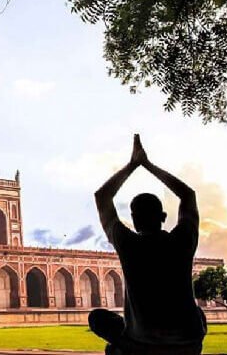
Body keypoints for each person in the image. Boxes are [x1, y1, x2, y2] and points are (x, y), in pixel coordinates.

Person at [90, 134, 207, 355]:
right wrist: (149, 165)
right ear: (163, 216)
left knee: (98, 320)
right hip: (189, 344)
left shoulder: (128, 245)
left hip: (143, 346)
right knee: (198, 312)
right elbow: (188, 195)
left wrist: (133, 165)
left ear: (133, 219)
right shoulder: (183, 240)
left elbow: (102, 196)